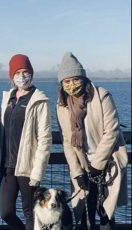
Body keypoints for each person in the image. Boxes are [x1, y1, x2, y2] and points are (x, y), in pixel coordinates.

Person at [56, 52, 128, 230]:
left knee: (104, 210)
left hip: (107, 162)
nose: (71, 84)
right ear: (62, 84)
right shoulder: (62, 105)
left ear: (83, 78)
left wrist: (97, 165)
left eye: (75, 79)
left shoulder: (102, 96)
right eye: (67, 81)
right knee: (84, 210)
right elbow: (67, 141)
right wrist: (77, 172)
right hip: (83, 164)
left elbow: (111, 131)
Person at [0, 54, 52, 230]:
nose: (22, 76)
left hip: (28, 167)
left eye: (26, 72)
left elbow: (45, 139)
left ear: (32, 74)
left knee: (30, 213)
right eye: (18, 72)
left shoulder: (39, 100)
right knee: (6, 212)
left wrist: (37, 173)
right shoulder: (8, 98)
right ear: (11, 76)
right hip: (7, 165)